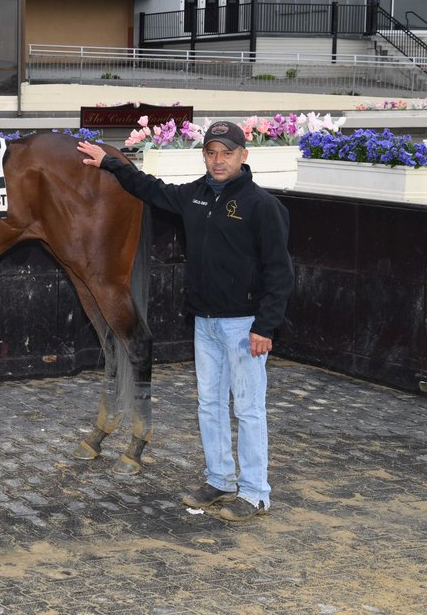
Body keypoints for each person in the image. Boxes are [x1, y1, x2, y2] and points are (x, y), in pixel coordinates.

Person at [76, 121, 294, 523]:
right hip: (205, 322)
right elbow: (150, 189)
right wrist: (111, 162)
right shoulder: (195, 195)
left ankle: (255, 493)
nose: (218, 160)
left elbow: (280, 271)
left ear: (243, 156)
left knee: (247, 409)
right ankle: (219, 480)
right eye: (211, 152)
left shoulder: (261, 205)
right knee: (209, 404)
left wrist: (265, 326)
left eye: (227, 152)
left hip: (244, 325)